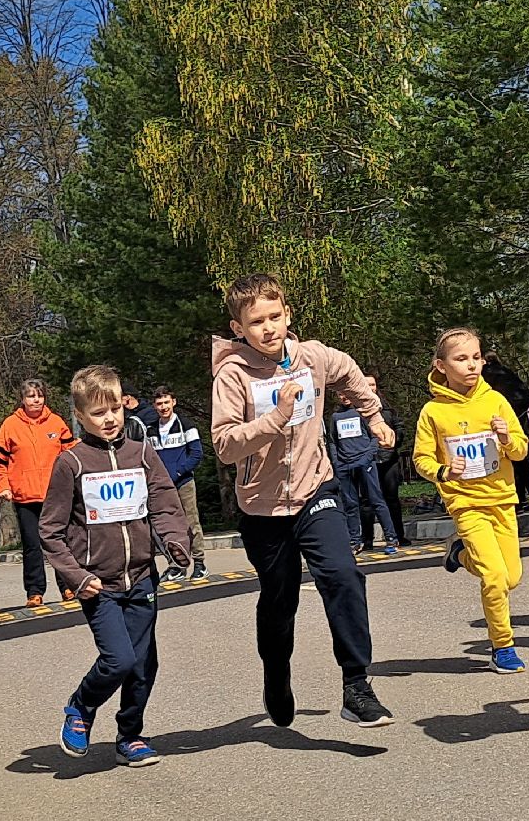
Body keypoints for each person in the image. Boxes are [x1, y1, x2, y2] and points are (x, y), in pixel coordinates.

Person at [210, 272, 396, 729]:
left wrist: (372, 416)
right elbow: (226, 445)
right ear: (239, 329)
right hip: (262, 507)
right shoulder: (232, 376)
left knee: (343, 574)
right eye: (257, 321)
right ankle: (277, 674)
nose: (269, 327)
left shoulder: (311, 357)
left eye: (275, 316)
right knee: (279, 601)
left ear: (288, 315)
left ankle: (357, 685)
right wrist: (276, 418)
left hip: (317, 489)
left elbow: (348, 371)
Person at [42, 365, 192, 767]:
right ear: (79, 415)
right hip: (99, 584)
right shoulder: (70, 463)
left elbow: (163, 501)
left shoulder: (142, 453)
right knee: (119, 659)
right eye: (97, 412)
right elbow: (51, 531)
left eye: (114, 409)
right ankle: (81, 706)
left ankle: (130, 736)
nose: (108, 419)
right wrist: (77, 577)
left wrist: (176, 542)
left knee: (143, 665)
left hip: (142, 578)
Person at [414, 328, 529, 673]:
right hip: (466, 504)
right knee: (494, 576)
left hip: (502, 500)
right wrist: (444, 471)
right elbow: (421, 460)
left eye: (476, 357)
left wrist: (507, 438)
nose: (471, 366)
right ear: (441, 365)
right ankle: (503, 646)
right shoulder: (433, 412)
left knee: (511, 578)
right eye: (461, 359)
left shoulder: (495, 401)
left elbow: (522, 450)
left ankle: (459, 554)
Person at [0, 378, 76, 607]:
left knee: (61, 543)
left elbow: (71, 455)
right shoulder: (10, 425)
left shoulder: (56, 423)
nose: (35, 400)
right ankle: (34, 592)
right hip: (25, 497)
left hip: (55, 494)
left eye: (39, 395)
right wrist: (3, 486)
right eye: (30, 396)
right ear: (23, 399)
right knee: (32, 546)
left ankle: (68, 585)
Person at [145, 384, 209, 582]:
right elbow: (150, 458)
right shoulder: (151, 429)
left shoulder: (186, 425)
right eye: (159, 403)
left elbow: (196, 454)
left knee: (192, 523)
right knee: (168, 526)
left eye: (166, 402)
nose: (163, 406)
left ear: (174, 402)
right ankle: (176, 566)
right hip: (163, 487)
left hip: (184, 483)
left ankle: (199, 563)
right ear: (154, 406)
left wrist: (180, 471)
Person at [326, 390, 400, 557]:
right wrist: (337, 463)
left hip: (364, 463)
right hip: (345, 466)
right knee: (350, 504)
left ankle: (391, 538)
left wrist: (368, 457)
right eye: (340, 395)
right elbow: (332, 441)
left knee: (376, 500)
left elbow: (375, 437)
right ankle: (354, 541)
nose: (343, 397)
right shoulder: (335, 417)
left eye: (346, 394)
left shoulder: (362, 413)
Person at [360, 376, 411, 549]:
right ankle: (367, 540)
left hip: (389, 460)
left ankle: (399, 536)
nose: (371, 388)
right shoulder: (356, 410)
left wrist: (393, 444)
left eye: (373, 384)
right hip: (368, 461)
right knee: (367, 501)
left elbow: (400, 428)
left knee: (392, 499)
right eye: (367, 385)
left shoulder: (388, 409)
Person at [481, 351, 529, 508]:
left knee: (515, 462)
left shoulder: (486, 375)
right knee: (524, 459)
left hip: (510, 417)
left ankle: (518, 497)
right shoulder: (505, 371)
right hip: (524, 416)